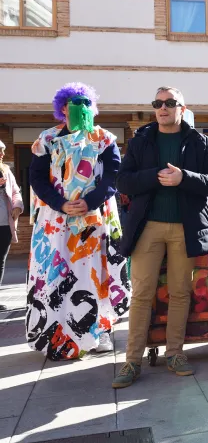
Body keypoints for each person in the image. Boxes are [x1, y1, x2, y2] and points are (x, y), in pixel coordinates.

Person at [113, 86, 208, 388]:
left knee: (180, 293)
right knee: (142, 294)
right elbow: (122, 180)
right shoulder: (142, 139)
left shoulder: (199, 142)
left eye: (170, 103)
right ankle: (131, 362)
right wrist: (155, 175)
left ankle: (175, 354)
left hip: (185, 229)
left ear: (181, 108)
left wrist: (183, 178)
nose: (163, 108)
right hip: (147, 227)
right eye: (158, 103)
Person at [26, 83, 130, 359]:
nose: (79, 107)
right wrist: (60, 203)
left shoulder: (104, 139)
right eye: (73, 102)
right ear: (62, 108)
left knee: (95, 273)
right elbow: (36, 178)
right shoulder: (46, 139)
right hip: (55, 223)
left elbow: (112, 176)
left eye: (85, 102)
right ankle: (57, 335)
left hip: (94, 221)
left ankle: (100, 331)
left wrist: (90, 201)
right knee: (55, 275)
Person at [0, 140, 23, 312]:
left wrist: (17, 206)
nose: (2, 154)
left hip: (4, 224)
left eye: (3, 151)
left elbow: (16, 192)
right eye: (0, 151)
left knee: (0, 261)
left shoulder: (6, 172)